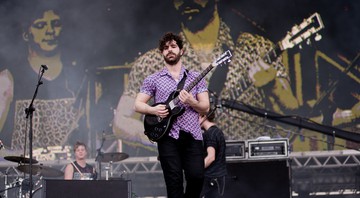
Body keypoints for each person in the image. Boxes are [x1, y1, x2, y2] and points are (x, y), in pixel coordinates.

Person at [113, 0, 298, 149]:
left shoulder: (256, 48)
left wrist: (271, 84)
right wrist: (163, 138)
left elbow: (292, 110)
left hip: (249, 168)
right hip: (186, 169)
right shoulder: (152, 62)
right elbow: (120, 122)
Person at [0, 0, 93, 151]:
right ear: (26, 33)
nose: (50, 31)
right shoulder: (8, 79)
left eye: (55, 24)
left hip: (67, 170)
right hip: (21, 170)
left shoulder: (80, 77)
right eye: (40, 25)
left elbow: (91, 133)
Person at [134, 32, 210, 197]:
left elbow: (205, 107)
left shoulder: (195, 77)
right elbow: (138, 104)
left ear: (181, 51)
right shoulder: (153, 79)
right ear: (162, 53)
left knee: (196, 177)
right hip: (168, 137)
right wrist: (154, 110)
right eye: (166, 48)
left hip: (193, 136)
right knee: (173, 182)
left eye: (173, 46)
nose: (169, 50)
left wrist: (192, 101)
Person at [199, 107, 227, 198]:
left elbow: (211, 157)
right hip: (218, 177)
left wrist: (196, 170)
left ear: (203, 116)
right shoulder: (217, 132)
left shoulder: (210, 133)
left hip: (211, 178)